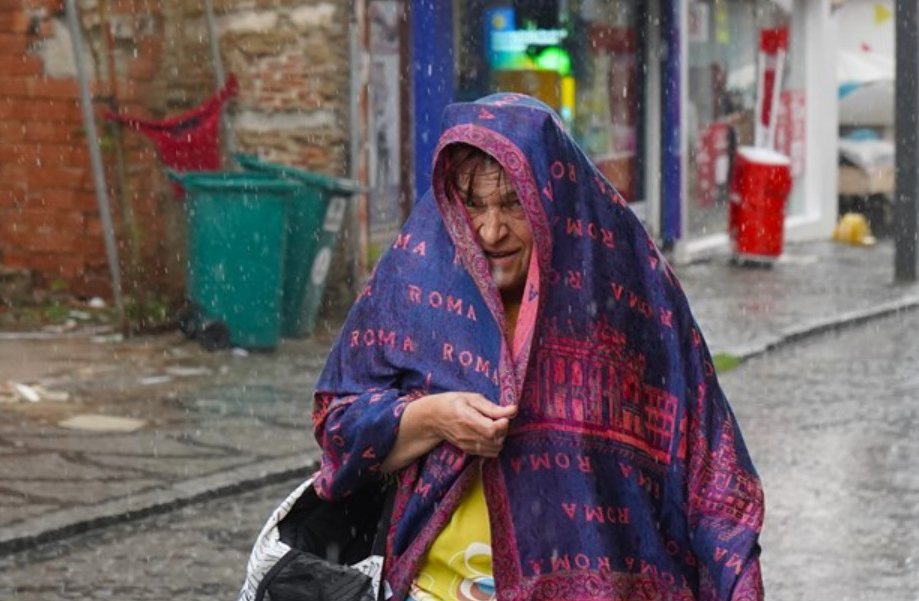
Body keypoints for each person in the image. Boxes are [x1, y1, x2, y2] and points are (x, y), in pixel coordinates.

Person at [312, 94, 765, 601]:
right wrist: (433, 418)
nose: (490, 230)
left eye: (513, 203)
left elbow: (715, 475)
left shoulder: (630, 302)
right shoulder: (413, 284)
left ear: (555, 200)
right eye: (473, 204)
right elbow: (337, 427)